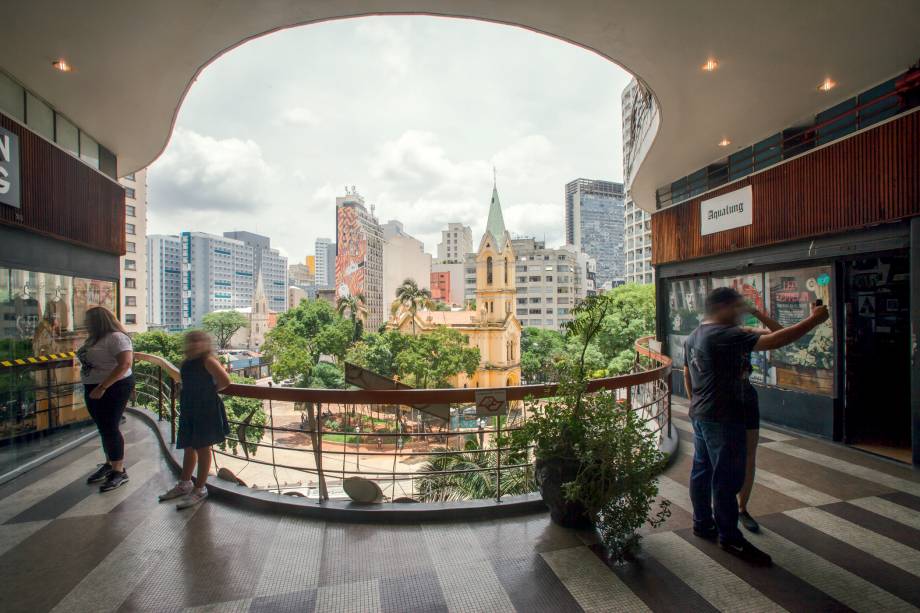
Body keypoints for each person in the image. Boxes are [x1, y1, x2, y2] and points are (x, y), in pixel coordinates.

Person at [683, 287, 828, 566]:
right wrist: (814, 320)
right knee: (726, 479)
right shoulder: (725, 335)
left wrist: (693, 405)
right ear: (723, 307)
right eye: (736, 307)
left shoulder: (696, 335)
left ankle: (702, 523)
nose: (740, 312)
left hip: (702, 414)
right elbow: (776, 341)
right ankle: (730, 537)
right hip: (724, 417)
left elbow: (777, 333)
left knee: (702, 471)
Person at [159, 330, 231, 509]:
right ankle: (185, 483)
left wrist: (209, 392)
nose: (195, 344)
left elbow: (225, 381)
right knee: (189, 446)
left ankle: (200, 487)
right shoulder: (187, 362)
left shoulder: (208, 361)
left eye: (199, 340)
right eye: (192, 340)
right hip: (189, 408)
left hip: (205, 409)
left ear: (206, 343)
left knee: (203, 447)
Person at [737, 305, 784, 533]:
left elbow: (779, 332)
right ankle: (730, 508)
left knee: (748, 455)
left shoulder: (745, 334)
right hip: (721, 399)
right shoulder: (710, 334)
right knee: (725, 455)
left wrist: (756, 313)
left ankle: (741, 507)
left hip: (744, 395)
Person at [77, 306, 135, 492]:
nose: (85, 323)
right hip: (94, 386)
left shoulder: (116, 338)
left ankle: (119, 471)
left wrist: (103, 387)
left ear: (98, 321)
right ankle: (110, 463)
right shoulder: (95, 339)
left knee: (110, 426)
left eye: (88, 320)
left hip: (113, 387)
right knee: (104, 427)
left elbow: (125, 364)